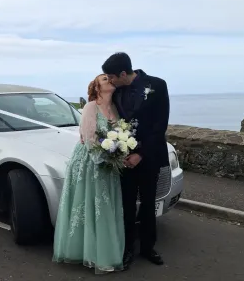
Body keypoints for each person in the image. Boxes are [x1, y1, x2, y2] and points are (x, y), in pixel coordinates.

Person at [101, 52, 170, 268]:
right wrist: (119, 151)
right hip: (124, 159)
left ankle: (148, 248)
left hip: (149, 157)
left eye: (111, 76)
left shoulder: (158, 85)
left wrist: (141, 154)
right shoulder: (116, 91)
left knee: (149, 204)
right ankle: (127, 248)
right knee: (126, 206)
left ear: (123, 73)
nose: (109, 81)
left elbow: (160, 125)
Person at [53, 74, 126, 275]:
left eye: (110, 79)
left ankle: (104, 252)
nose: (109, 81)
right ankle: (86, 252)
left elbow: (121, 135)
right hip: (90, 163)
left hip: (110, 164)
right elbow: (89, 137)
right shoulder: (90, 107)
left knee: (105, 207)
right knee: (88, 204)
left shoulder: (115, 108)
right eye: (104, 79)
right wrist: (105, 158)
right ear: (96, 87)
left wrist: (119, 153)